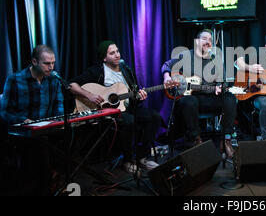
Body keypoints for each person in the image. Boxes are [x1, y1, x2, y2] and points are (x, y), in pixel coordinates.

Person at [69, 40, 162, 173]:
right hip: (108, 111)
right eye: (112, 53)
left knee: (155, 117)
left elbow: (132, 97)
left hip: (126, 108)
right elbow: (72, 85)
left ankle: (142, 157)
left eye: (117, 51)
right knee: (128, 121)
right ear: (104, 58)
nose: (117, 55)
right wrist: (89, 95)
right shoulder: (97, 71)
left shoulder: (126, 70)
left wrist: (139, 97)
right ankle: (128, 160)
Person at [161, 29, 237, 158]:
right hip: (193, 99)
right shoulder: (185, 55)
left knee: (230, 98)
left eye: (210, 40)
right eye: (204, 39)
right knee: (189, 101)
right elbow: (166, 65)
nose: (208, 42)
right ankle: (197, 140)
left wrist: (220, 88)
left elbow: (222, 82)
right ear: (197, 41)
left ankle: (226, 140)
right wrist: (167, 77)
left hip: (211, 97)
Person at [0, 44, 63, 195]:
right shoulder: (14, 80)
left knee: (73, 136)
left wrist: (59, 121)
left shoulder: (53, 80)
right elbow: (5, 111)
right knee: (38, 151)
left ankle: (54, 179)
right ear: (34, 62)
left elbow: (59, 104)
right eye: (47, 63)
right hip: (23, 132)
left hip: (47, 130)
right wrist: (23, 120)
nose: (51, 67)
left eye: (53, 63)